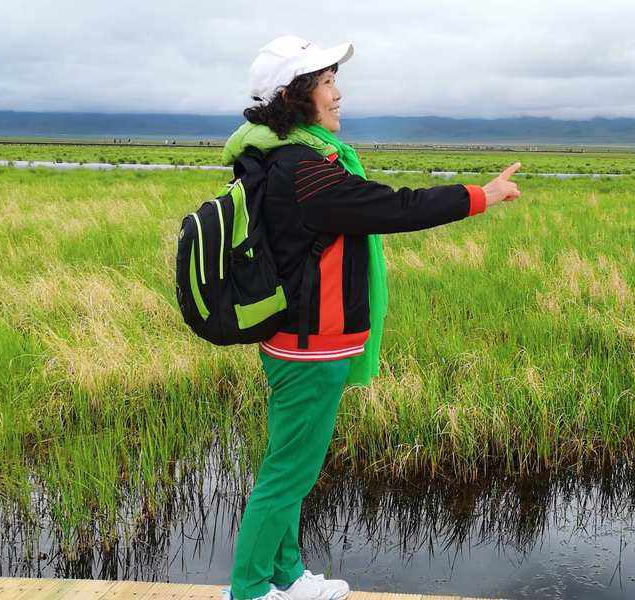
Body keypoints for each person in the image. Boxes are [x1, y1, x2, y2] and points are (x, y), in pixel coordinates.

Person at [218, 35, 521, 600]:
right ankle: (251, 589)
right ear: (294, 96)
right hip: (311, 344)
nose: (339, 94)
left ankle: (283, 577)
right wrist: (482, 195)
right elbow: (394, 207)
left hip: (293, 336)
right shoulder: (305, 173)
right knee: (288, 474)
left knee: (291, 468)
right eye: (327, 82)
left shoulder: (269, 159)